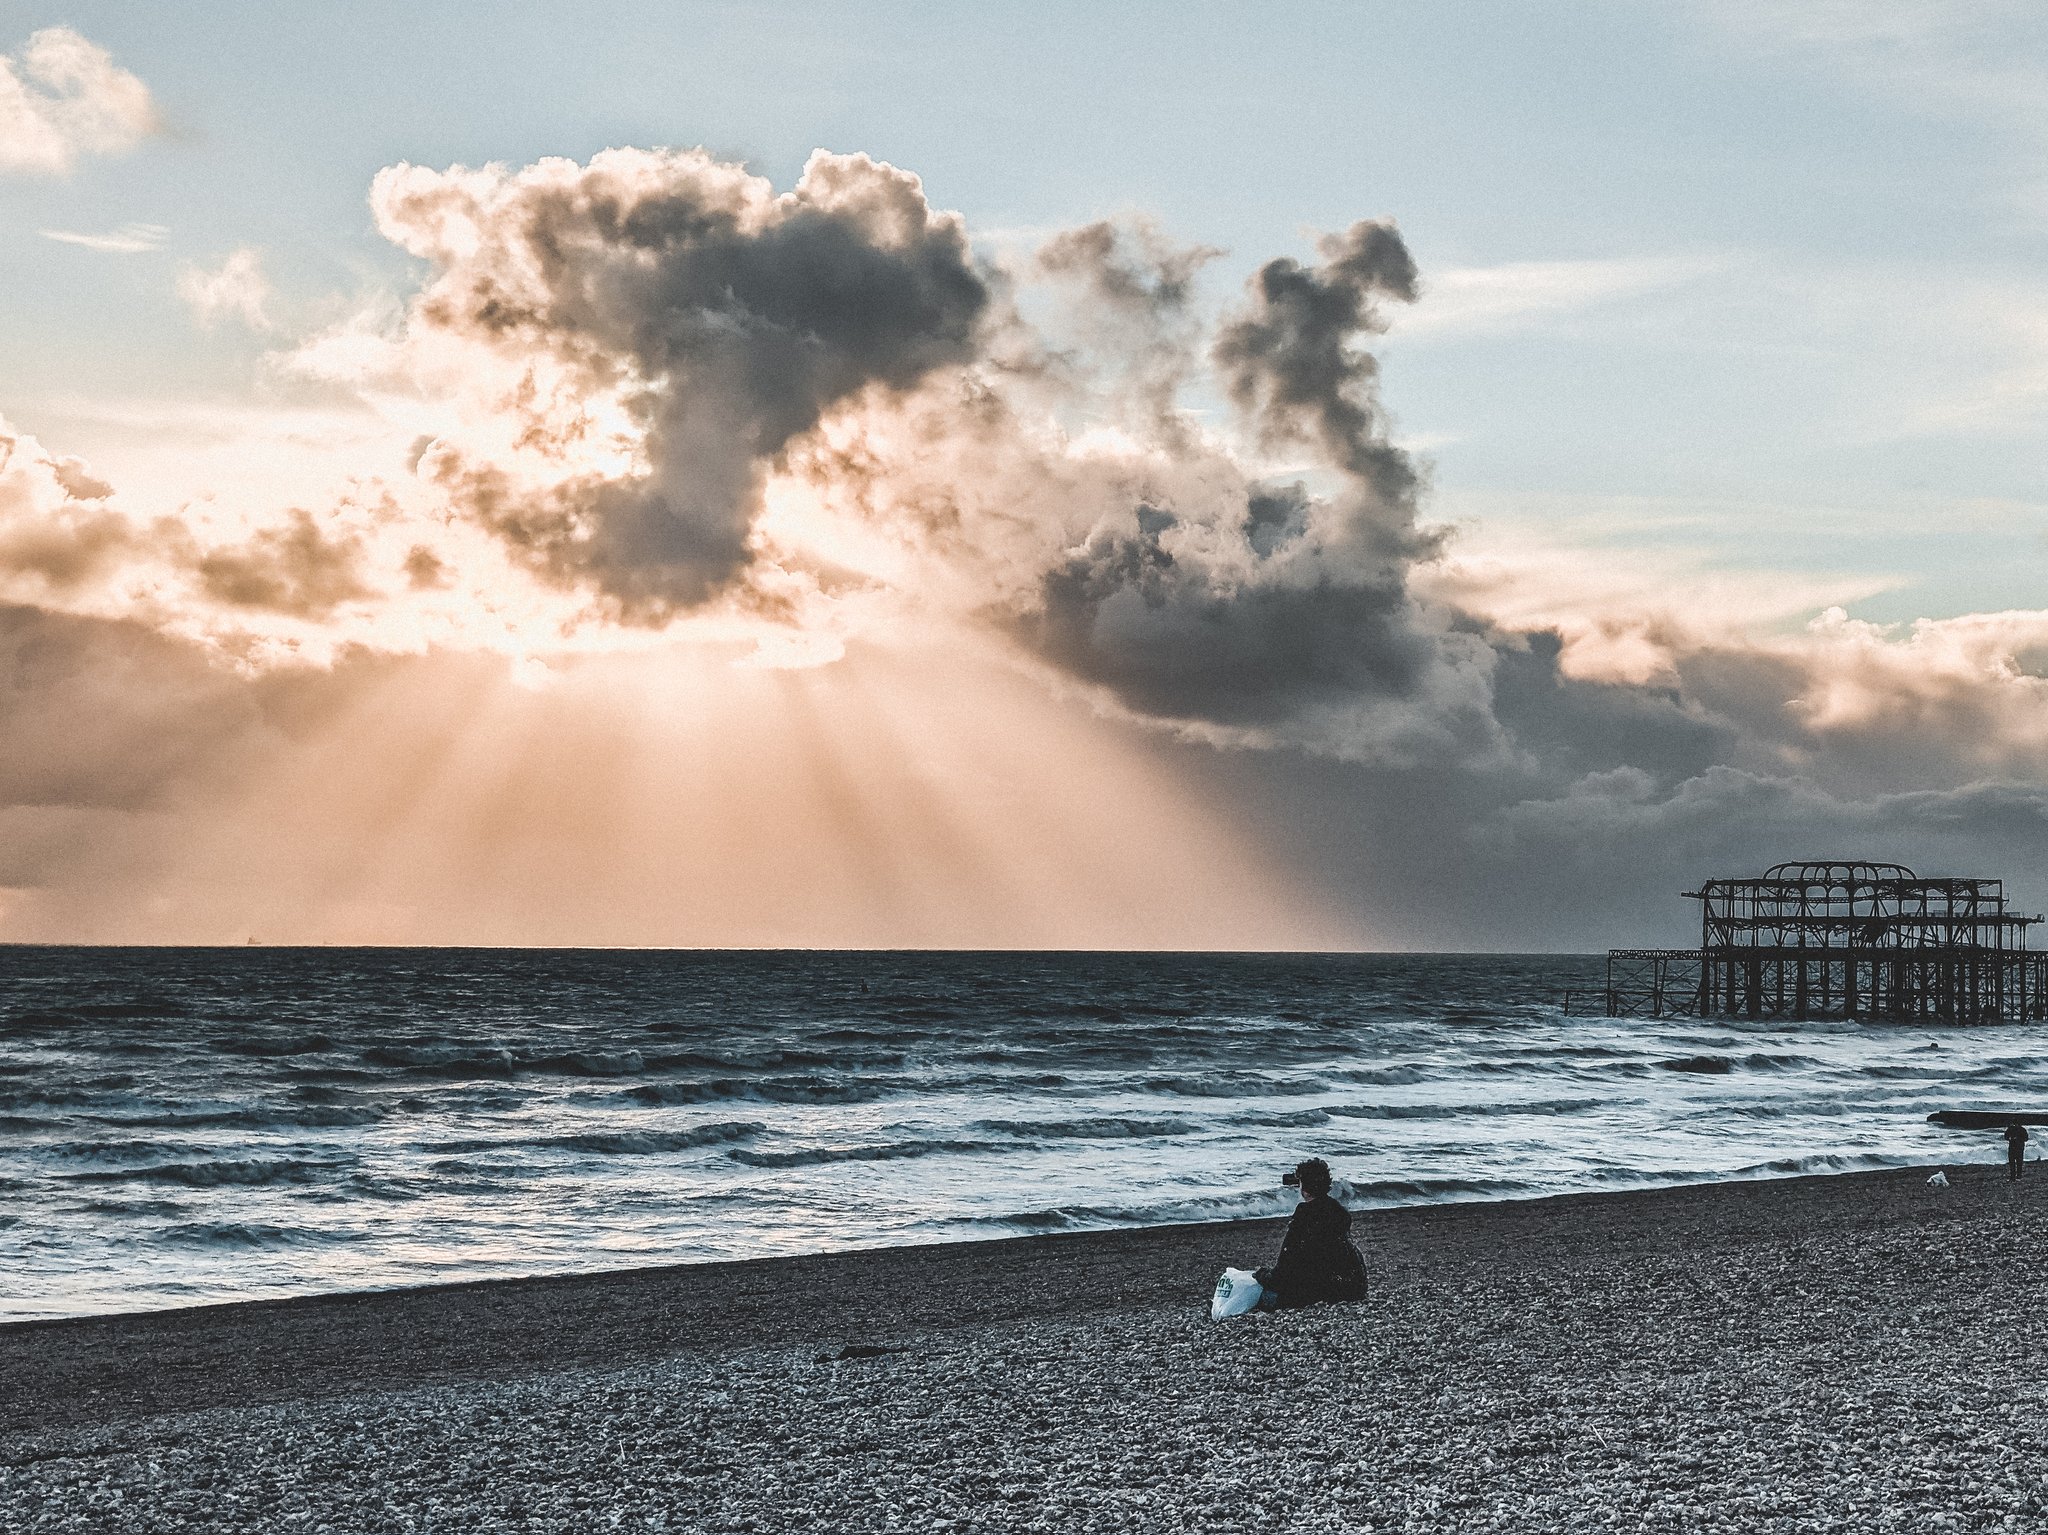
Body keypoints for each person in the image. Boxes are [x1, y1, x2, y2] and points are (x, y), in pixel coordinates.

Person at [1256, 1158, 1367, 1309]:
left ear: (1305, 1189)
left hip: (1321, 1292)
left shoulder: (1305, 1216)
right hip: (1352, 1288)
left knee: (1260, 1295)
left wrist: (1262, 1275)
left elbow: (1282, 1272)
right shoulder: (1338, 1213)